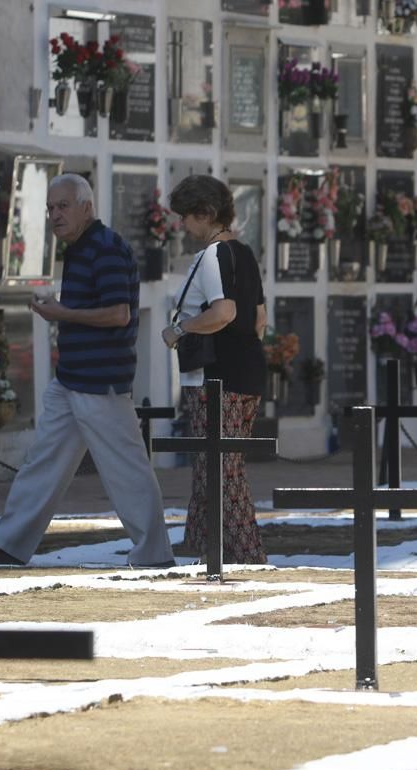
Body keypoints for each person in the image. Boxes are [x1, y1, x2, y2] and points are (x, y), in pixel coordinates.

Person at [0, 174, 175, 568]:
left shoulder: (107, 248)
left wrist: (62, 312)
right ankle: (8, 544)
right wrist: (60, 308)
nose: (54, 215)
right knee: (42, 462)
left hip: (101, 382)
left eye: (62, 206)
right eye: (50, 208)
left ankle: (154, 555)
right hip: (73, 377)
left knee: (126, 471)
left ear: (86, 207)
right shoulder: (79, 248)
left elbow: (119, 313)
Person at [160, 175, 268, 563]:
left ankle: (246, 553)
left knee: (223, 468)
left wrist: (179, 329)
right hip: (248, 370)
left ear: (205, 214)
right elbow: (259, 318)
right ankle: (201, 542)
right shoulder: (244, 252)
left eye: (187, 217)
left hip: (214, 376)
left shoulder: (211, 256)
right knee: (214, 465)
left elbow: (224, 312)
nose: (183, 226)